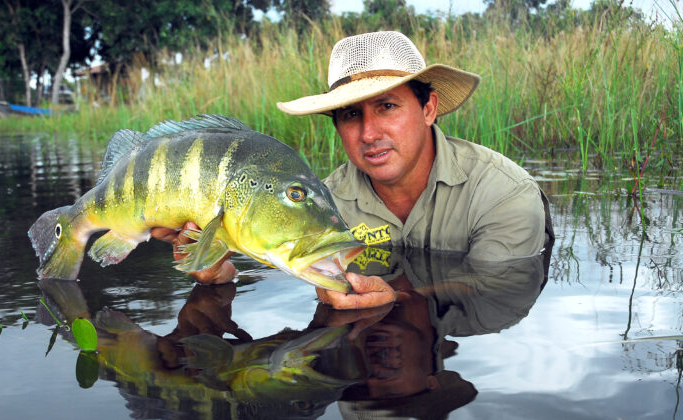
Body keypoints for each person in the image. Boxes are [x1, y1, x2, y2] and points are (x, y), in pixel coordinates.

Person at [152, 31, 553, 308]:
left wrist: (398, 298)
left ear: (428, 108)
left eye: (387, 106)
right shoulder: (317, 203)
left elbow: (501, 288)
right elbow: (280, 267)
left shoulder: (505, 195)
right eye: (350, 115)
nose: (369, 133)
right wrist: (216, 271)